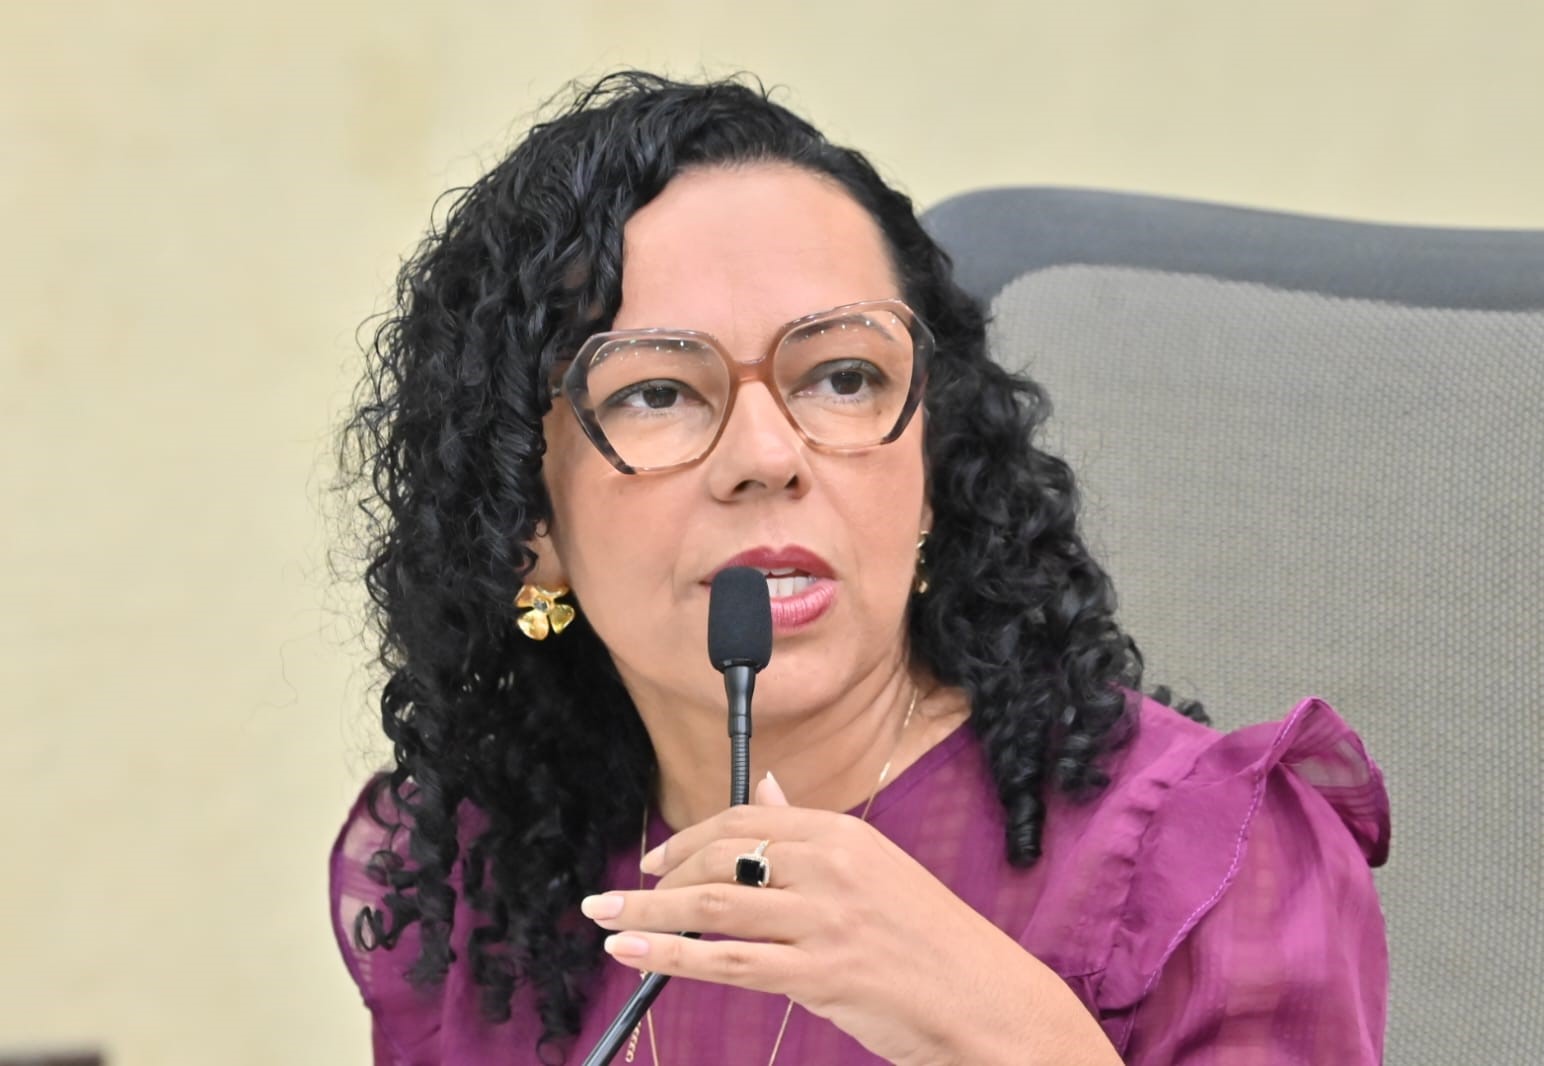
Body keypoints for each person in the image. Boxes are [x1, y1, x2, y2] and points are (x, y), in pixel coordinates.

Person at [330, 71, 1390, 1065]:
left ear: (932, 467)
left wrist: (1005, 1030)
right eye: (657, 392)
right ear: (527, 526)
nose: (766, 456)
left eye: (842, 376)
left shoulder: (1209, 861)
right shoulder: (478, 882)